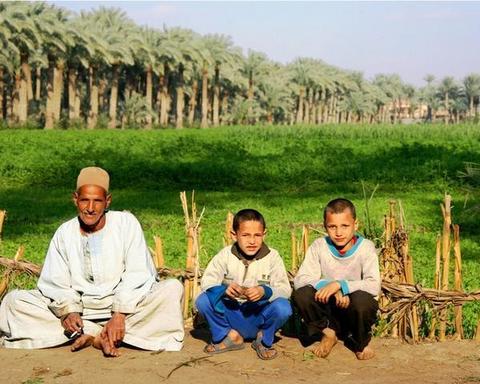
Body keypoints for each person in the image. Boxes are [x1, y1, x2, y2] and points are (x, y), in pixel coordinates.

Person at [0, 167, 184, 356]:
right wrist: (69, 311)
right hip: (81, 311)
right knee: (14, 301)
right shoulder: (64, 233)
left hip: (125, 309)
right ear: (75, 199)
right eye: (84, 200)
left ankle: (97, 332)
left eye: (97, 201)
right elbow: (55, 281)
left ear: (107, 201)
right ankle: (98, 333)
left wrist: (119, 314)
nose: (90, 208)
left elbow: (138, 274)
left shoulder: (126, 224)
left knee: (171, 289)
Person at [195, 209, 292, 360]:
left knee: (283, 307)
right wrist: (224, 289)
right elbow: (208, 280)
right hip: (232, 314)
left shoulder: (273, 257)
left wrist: (264, 291)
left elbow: (285, 289)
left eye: (257, 235)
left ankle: (263, 338)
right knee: (203, 300)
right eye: (246, 235)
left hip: (258, 315)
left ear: (264, 234)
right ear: (234, 235)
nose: (252, 241)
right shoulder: (225, 255)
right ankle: (229, 336)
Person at [292, 198, 380, 360]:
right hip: (327, 310)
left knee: (363, 301)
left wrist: (341, 286)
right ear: (325, 226)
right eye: (332, 227)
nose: (339, 233)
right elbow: (300, 279)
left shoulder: (366, 248)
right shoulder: (319, 246)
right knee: (301, 294)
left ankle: (359, 341)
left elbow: (374, 285)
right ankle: (328, 333)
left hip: (353, 309)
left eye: (345, 226)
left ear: (356, 224)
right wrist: (328, 286)